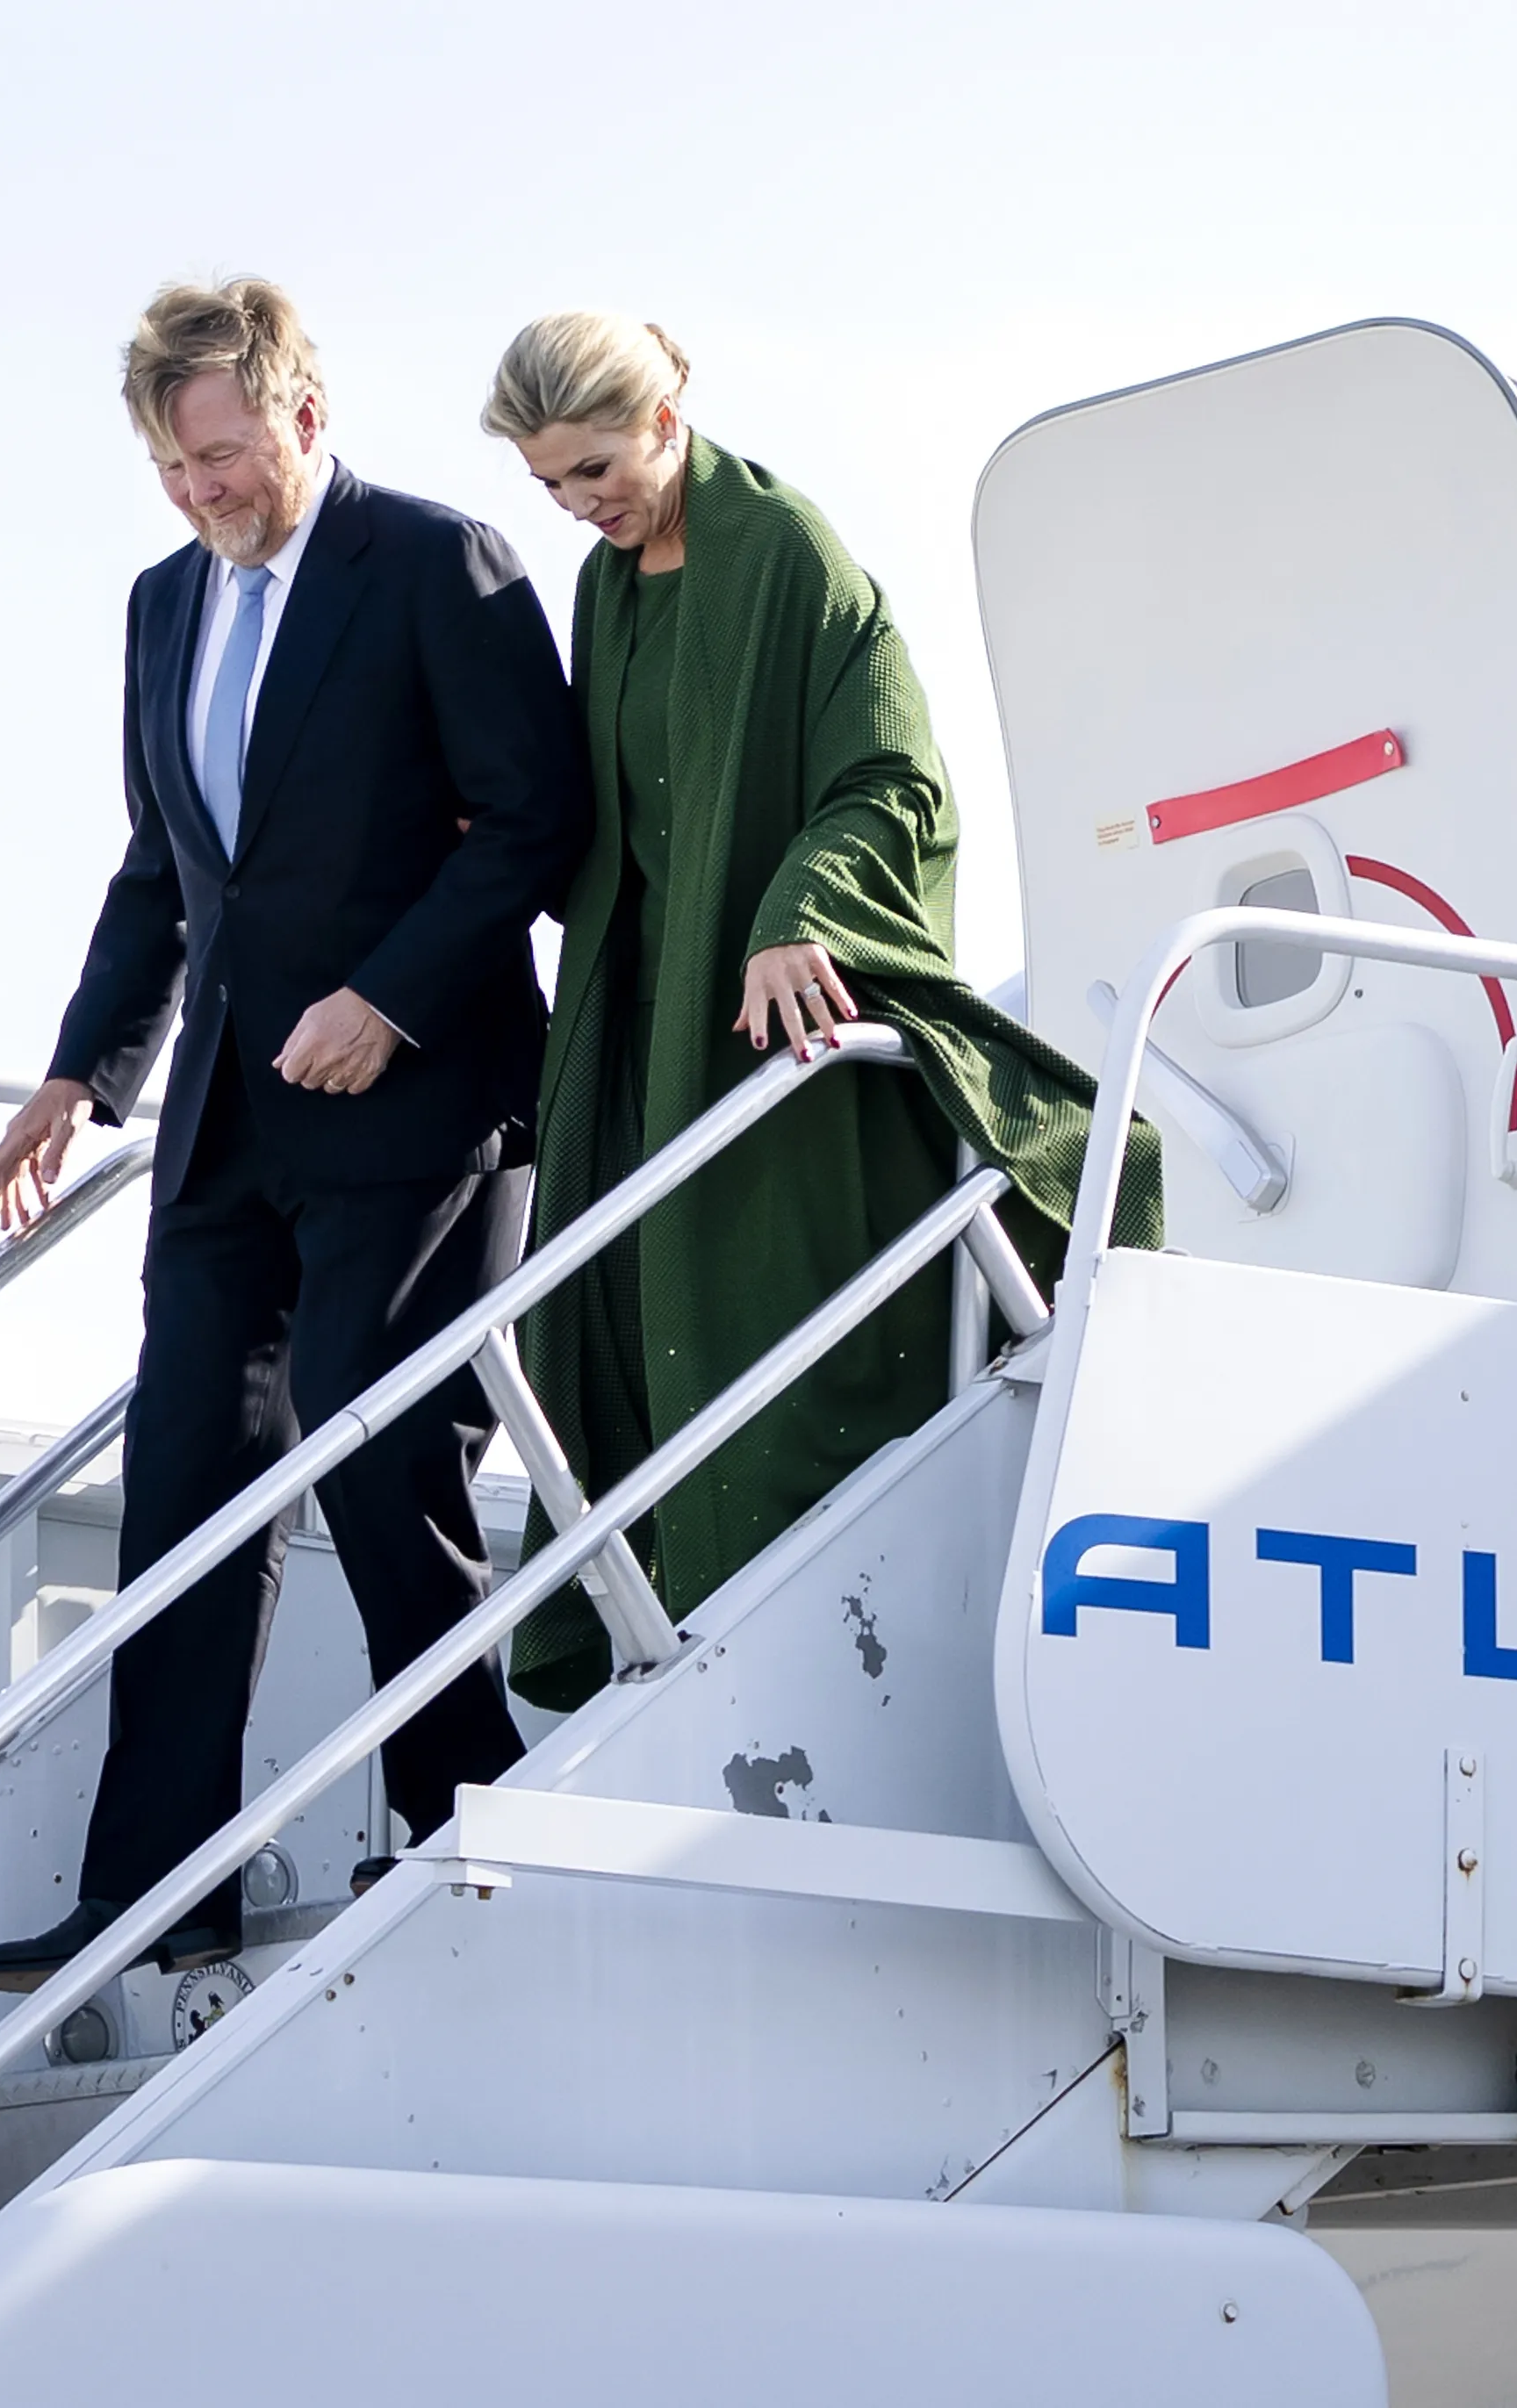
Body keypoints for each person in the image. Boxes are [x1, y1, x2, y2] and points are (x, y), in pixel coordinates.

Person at [0, 281, 588, 1990]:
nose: (202, 490)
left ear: (308, 413)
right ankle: (160, 1893)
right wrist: (84, 1069)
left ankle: (456, 1818)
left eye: (226, 453)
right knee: (179, 1486)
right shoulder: (163, 607)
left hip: (424, 1102)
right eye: (175, 465)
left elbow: (534, 822)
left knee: (386, 1457)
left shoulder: (440, 567)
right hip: (225, 1130)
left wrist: (387, 995)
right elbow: (165, 867)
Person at [477, 313, 1157, 1709]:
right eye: (551, 486)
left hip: (762, 1031)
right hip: (638, 1031)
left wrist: (800, 916)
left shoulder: (783, 548)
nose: (579, 505)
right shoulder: (607, 587)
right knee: (615, 1327)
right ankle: (655, 1661)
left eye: (596, 468)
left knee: (757, 1343)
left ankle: (784, 1686)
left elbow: (896, 775)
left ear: (666, 420)